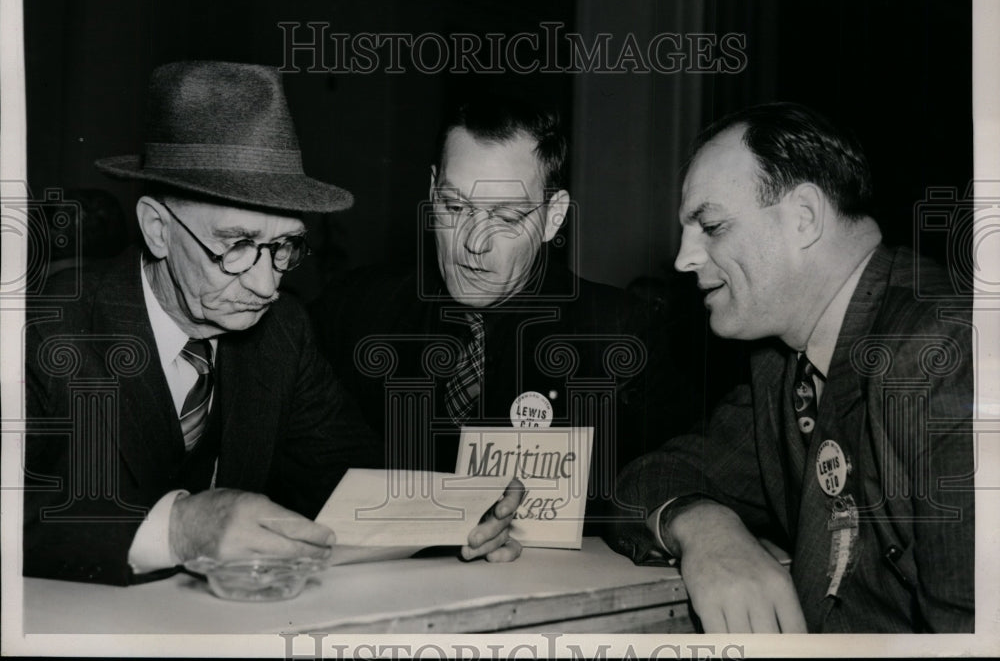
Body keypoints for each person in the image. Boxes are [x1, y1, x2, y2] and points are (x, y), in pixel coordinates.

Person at [23, 61, 522, 586]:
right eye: (237, 246)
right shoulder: (41, 330)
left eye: (284, 247)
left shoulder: (282, 331)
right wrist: (178, 529)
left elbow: (348, 475)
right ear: (158, 229)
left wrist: (458, 512)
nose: (266, 285)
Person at [609, 102, 974, 633]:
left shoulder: (946, 356)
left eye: (710, 226)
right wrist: (706, 526)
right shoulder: (784, 368)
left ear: (802, 217)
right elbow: (647, 478)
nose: (684, 259)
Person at [312, 94, 689, 527]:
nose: (474, 243)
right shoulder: (352, 313)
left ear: (553, 217)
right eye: (454, 208)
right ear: (432, 190)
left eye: (506, 217)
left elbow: (669, 487)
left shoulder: (620, 336)